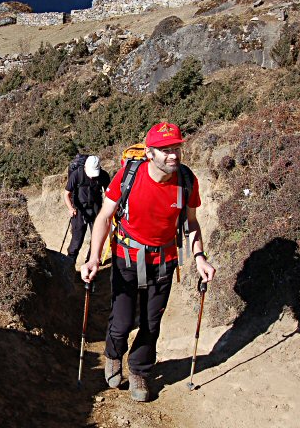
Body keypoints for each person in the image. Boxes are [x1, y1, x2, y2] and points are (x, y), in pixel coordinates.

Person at [81, 122, 216, 403]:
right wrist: (94, 257)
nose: (173, 155)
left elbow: (191, 224)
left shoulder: (187, 180)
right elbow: (105, 217)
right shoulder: (128, 176)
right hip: (125, 258)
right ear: (149, 153)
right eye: (165, 150)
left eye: (176, 148)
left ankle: (140, 371)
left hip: (165, 261)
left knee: (151, 323)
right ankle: (114, 355)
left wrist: (200, 257)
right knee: (122, 321)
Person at [63, 155, 110, 267]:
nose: (93, 177)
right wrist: (71, 208)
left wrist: (107, 210)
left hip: (96, 209)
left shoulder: (103, 176)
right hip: (79, 210)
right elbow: (66, 194)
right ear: (85, 167)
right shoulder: (76, 175)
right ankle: (70, 265)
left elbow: (109, 193)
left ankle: (91, 263)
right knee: (77, 240)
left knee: (96, 238)